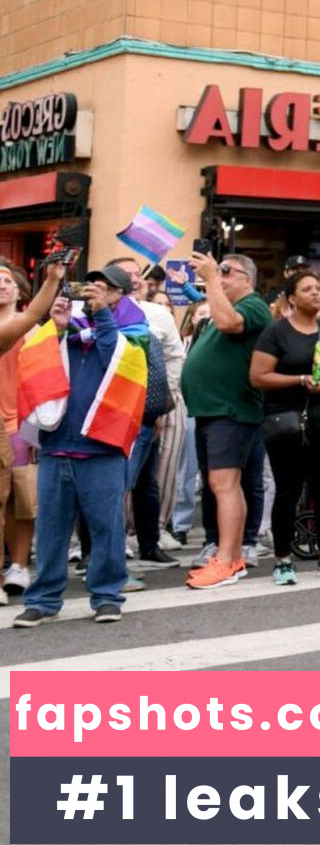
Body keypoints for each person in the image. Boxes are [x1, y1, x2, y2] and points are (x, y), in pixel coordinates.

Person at [13, 266, 153, 626]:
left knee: (107, 527)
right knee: (51, 530)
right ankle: (43, 600)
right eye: (89, 286)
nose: (92, 292)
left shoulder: (134, 333)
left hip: (103, 449)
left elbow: (115, 361)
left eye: (104, 288)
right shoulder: (67, 327)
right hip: (58, 445)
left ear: (119, 295)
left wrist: (103, 315)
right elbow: (34, 361)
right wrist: (57, 325)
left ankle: (107, 596)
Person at [250, 268, 320, 585]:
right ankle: (283, 559)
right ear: (292, 298)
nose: (316, 293)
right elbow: (258, 377)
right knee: (288, 490)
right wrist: (299, 379)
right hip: (287, 422)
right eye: (308, 288)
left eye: (319, 288)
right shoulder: (276, 332)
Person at [179, 251, 273, 589]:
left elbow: (228, 324)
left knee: (225, 484)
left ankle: (227, 560)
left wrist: (210, 280)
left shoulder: (254, 305)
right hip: (212, 410)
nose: (220, 276)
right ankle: (228, 557)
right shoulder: (224, 305)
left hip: (231, 410)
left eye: (227, 271)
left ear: (247, 279)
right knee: (220, 485)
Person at [106, 256, 186, 569]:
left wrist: (167, 402)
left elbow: (174, 358)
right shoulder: (102, 314)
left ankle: (149, 543)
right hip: (113, 412)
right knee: (117, 481)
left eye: (138, 274)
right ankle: (108, 547)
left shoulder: (158, 315)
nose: (135, 279)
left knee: (147, 482)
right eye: (126, 274)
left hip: (149, 412)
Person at [1, 258, 64, 597]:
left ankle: (19, 566)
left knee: (21, 501)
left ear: (18, 289)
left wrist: (52, 280)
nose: (1, 285)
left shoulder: (32, 330)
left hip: (19, 426)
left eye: (7, 280)